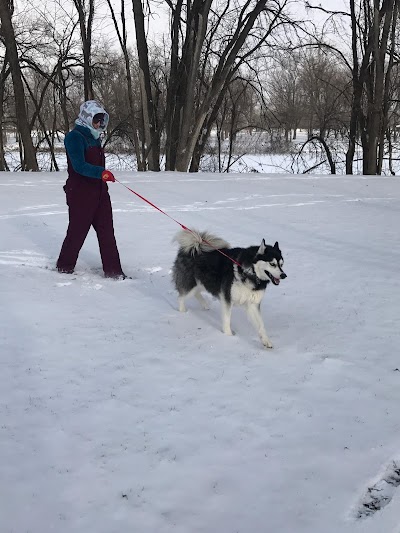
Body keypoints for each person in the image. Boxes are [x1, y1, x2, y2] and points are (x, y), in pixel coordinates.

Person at [57, 100, 126, 279]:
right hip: (80, 194)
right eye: (96, 120)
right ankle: (64, 267)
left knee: (107, 233)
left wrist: (102, 177)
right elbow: (79, 166)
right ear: (87, 118)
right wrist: (100, 173)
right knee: (77, 232)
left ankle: (114, 272)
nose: (99, 124)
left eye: (102, 120)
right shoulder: (74, 137)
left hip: (100, 194)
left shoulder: (95, 138)